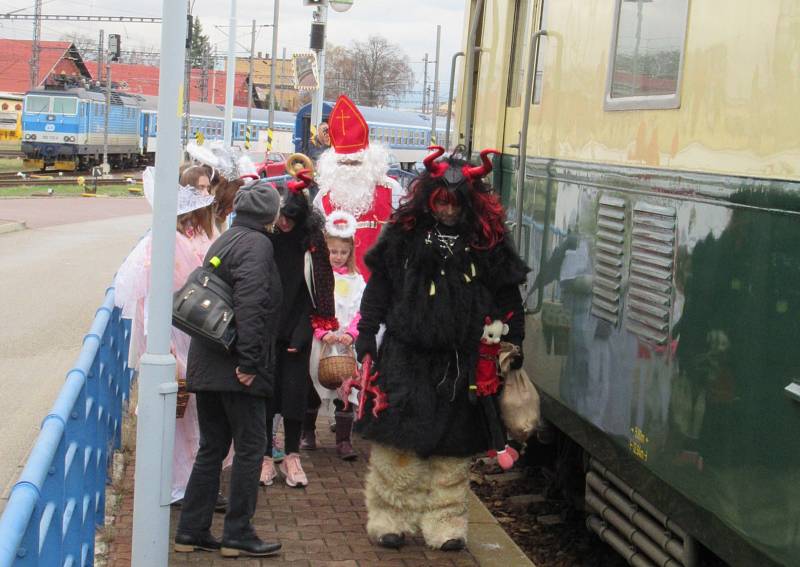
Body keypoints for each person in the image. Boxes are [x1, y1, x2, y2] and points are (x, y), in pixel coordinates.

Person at [352, 147, 528, 551]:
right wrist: (366, 334)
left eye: (455, 203)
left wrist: (513, 339)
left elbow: (508, 296)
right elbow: (379, 288)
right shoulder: (404, 233)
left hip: (461, 362)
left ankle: (445, 521)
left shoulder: (487, 241)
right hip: (405, 355)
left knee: (453, 449)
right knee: (399, 442)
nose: (448, 210)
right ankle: (389, 517)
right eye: (441, 201)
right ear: (429, 197)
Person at [174, 181, 283, 558]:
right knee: (252, 448)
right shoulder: (258, 244)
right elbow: (252, 303)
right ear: (271, 216)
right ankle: (237, 532)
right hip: (237, 368)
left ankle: (191, 530)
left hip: (208, 361)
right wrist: (250, 363)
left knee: (212, 448)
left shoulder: (226, 239)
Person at [113, 167, 216, 508]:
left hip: (184, 332)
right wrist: (164, 347)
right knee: (177, 411)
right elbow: (151, 299)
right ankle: (176, 485)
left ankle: (188, 483)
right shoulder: (163, 244)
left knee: (187, 413)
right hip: (174, 336)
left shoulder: (186, 235)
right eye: (198, 192)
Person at [259, 170, 338, 488]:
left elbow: (320, 289)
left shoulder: (312, 243)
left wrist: (306, 329)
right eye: (280, 217)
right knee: (264, 395)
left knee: (293, 395)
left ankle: (291, 456)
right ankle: (264, 457)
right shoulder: (264, 238)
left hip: (298, 328)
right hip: (265, 328)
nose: (284, 223)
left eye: (291, 217)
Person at [313, 95, 404, 280]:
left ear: (370, 160)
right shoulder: (322, 198)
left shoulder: (391, 189)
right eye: (344, 163)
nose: (350, 169)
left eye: (356, 162)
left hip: (379, 284)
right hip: (336, 288)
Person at [305, 211, 366, 460]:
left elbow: (362, 310)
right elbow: (309, 307)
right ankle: (307, 433)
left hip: (345, 344)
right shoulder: (317, 277)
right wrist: (321, 331)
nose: (337, 257)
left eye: (343, 252)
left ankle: (343, 440)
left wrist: (351, 333)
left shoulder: (357, 279)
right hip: (322, 342)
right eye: (333, 251)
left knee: (346, 389)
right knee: (313, 386)